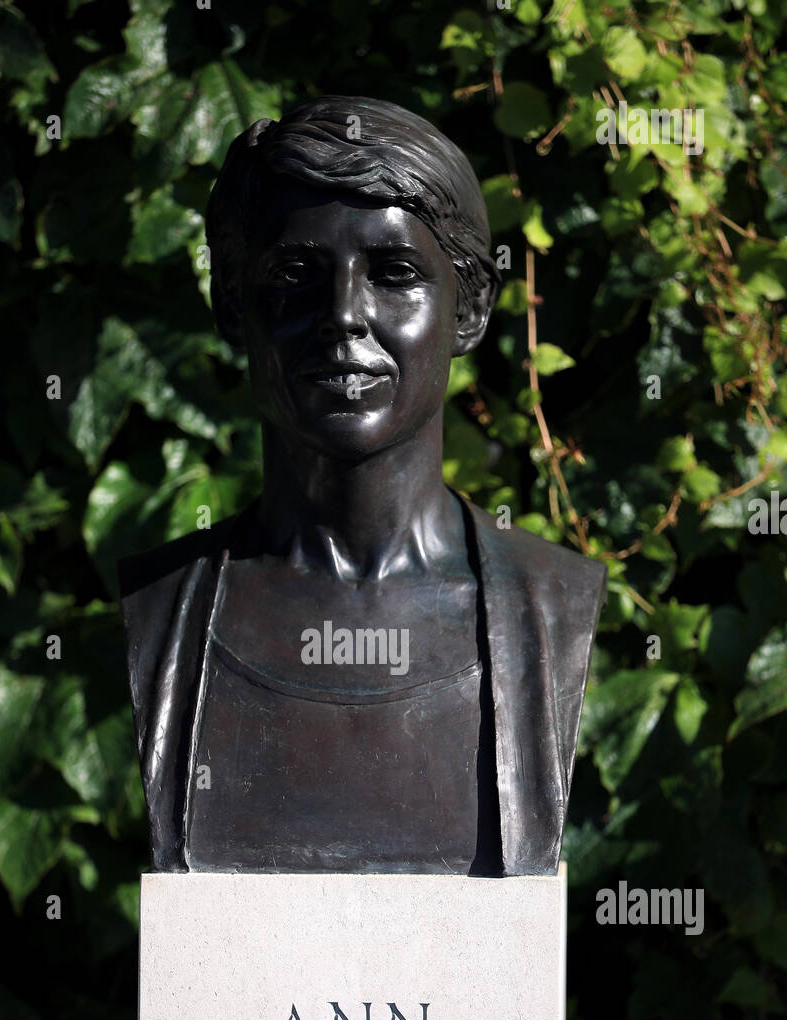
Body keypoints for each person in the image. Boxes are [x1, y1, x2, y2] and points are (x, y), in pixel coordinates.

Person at [119, 96, 606, 876]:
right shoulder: (156, 609)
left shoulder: (557, 607)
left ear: (471, 308)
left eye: (395, 272)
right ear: (232, 306)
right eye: (296, 276)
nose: (343, 316)